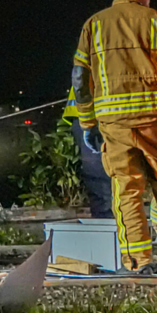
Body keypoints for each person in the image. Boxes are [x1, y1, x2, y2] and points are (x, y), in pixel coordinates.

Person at [72, 0, 157, 275]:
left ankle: (139, 262)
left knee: (126, 190)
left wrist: (88, 123)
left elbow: (79, 78)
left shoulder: (94, 25)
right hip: (156, 120)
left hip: (114, 124)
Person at [61, 87, 113, 218]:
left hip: (95, 115)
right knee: (100, 179)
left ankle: (109, 227)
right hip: (94, 116)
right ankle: (107, 228)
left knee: (105, 179)